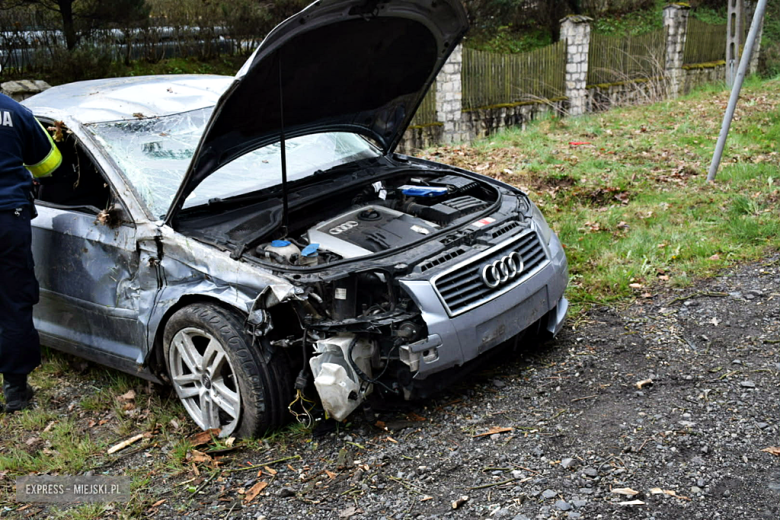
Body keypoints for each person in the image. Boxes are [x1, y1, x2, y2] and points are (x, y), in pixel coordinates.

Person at [0, 92, 62, 413]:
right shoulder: (15, 111)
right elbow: (50, 162)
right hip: (8, 219)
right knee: (14, 300)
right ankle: (15, 392)